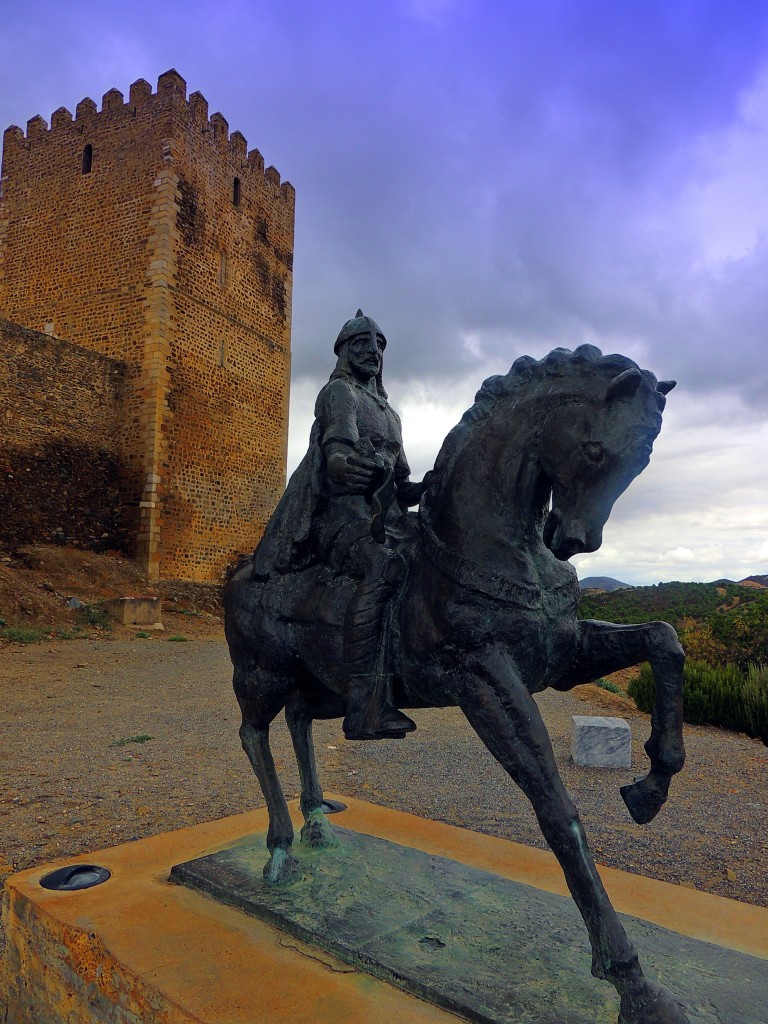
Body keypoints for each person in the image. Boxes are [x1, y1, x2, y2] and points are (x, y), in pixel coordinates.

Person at [252, 311, 425, 739]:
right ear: (345, 351)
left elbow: (400, 484)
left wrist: (432, 487)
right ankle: (366, 704)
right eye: (362, 343)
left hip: (385, 516)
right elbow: (336, 460)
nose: (373, 352)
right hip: (342, 518)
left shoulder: (389, 412)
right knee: (384, 567)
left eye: (380, 344)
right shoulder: (339, 394)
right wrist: (350, 470)